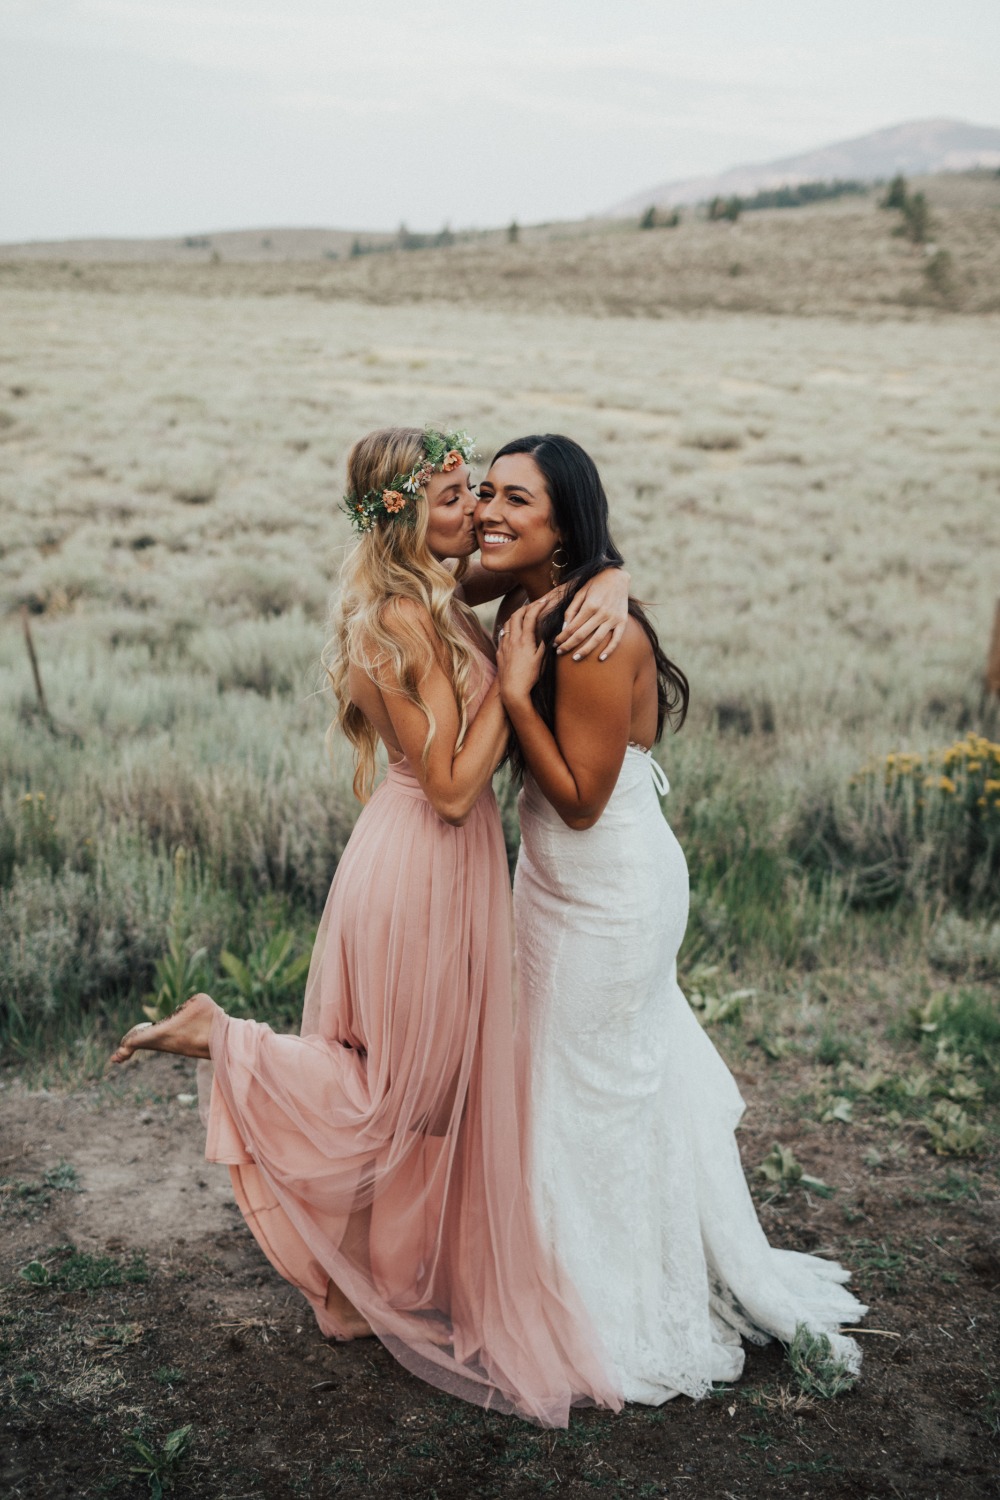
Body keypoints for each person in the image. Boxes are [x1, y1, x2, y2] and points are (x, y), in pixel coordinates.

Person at [110, 425, 627, 1427]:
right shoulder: (400, 619)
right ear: (398, 513)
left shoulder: (429, 595)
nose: (471, 512)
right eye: (448, 497)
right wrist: (511, 690)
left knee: (417, 1091)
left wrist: (605, 579)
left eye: (473, 493)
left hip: (436, 864)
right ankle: (225, 1036)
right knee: (401, 1094)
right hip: (426, 861)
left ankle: (350, 1290)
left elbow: (557, 569)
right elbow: (447, 788)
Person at [475, 433, 867, 1405]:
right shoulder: (532, 594)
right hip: (550, 882)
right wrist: (603, 566)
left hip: (609, 886)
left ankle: (608, 1301)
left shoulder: (603, 637)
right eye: (484, 492)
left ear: (562, 523)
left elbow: (574, 798)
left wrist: (518, 692)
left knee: (597, 1086)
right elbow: (450, 565)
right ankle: (553, 1267)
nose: (489, 512)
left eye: (515, 499)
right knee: (555, 1077)